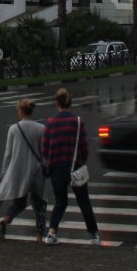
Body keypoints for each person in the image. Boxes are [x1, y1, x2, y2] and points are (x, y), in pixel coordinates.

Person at [41, 87, 100, 246]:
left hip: (56, 168)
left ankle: (51, 234)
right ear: (70, 103)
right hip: (75, 167)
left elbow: (45, 149)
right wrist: (81, 161)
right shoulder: (77, 122)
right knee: (83, 201)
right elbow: (84, 147)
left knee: (60, 201)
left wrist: (51, 163)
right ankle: (94, 236)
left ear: (56, 103)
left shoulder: (50, 123)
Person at [0, 98, 48, 241]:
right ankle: (40, 235)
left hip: (18, 172)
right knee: (40, 204)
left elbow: (8, 154)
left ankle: (5, 220)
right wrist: (47, 168)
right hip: (36, 172)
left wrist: (4, 173)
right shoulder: (41, 129)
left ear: (21, 111)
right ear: (31, 111)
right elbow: (44, 152)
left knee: (19, 203)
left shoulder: (13, 129)